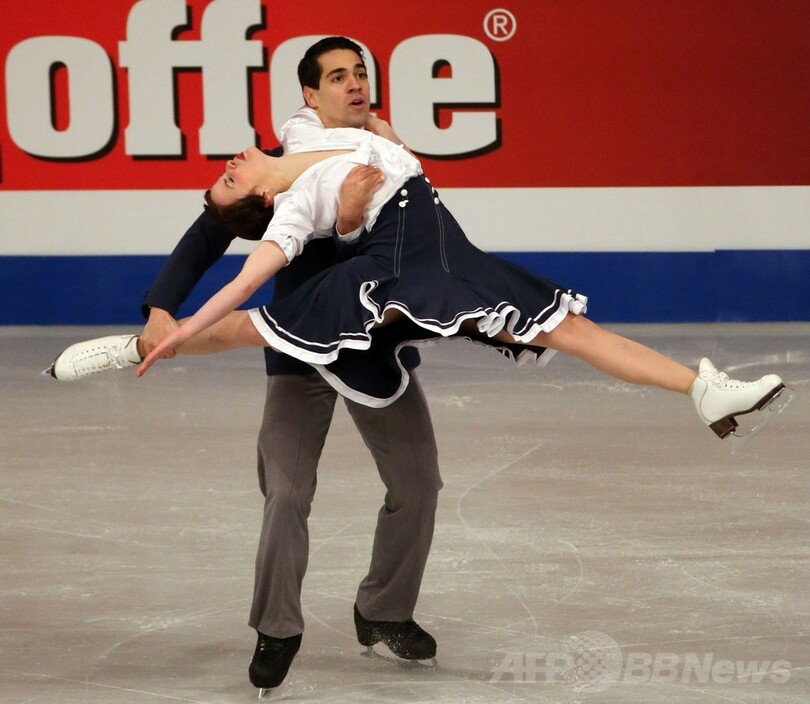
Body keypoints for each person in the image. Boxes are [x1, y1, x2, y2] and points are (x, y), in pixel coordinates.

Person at [52, 37, 444, 695]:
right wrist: (161, 307)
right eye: (337, 77)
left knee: (419, 482)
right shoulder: (277, 165)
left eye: (360, 73)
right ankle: (277, 628)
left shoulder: (390, 158)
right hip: (297, 349)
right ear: (310, 95)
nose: (354, 84)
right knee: (286, 492)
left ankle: (384, 610)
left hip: (371, 352)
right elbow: (207, 234)